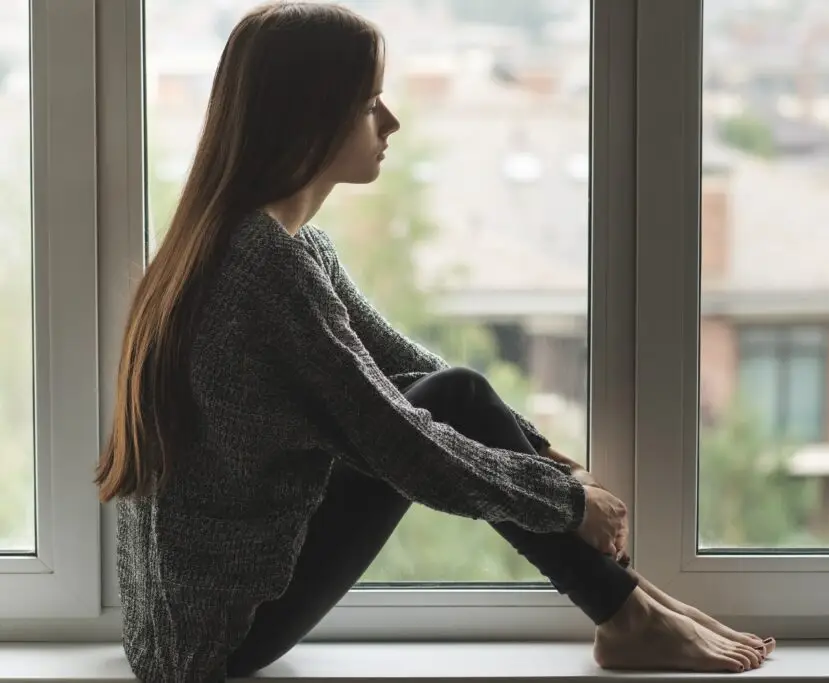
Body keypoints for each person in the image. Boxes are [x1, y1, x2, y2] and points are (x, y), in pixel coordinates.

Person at [95, 3, 775, 681]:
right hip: (219, 640)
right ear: (307, 117)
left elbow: (407, 369)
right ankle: (631, 617)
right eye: (368, 104)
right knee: (450, 400)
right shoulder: (264, 267)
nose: (389, 122)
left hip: (182, 630)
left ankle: (635, 607)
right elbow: (398, 439)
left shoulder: (261, 246)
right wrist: (564, 501)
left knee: (454, 390)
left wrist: (553, 463)